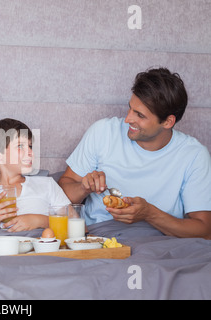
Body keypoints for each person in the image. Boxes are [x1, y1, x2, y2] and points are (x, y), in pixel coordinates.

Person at [59, 67, 211, 239]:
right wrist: (83, 188)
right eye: (130, 108)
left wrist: (149, 214)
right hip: (99, 236)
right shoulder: (103, 132)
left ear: (168, 122)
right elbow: (61, 195)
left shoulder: (194, 155)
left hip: (162, 241)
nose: (128, 119)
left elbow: (205, 230)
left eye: (140, 115)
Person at [0, 118, 71, 232]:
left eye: (30, 146)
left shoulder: (48, 185)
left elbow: (80, 228)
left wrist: (40, 221)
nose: (31, 153)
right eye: (20, 146)